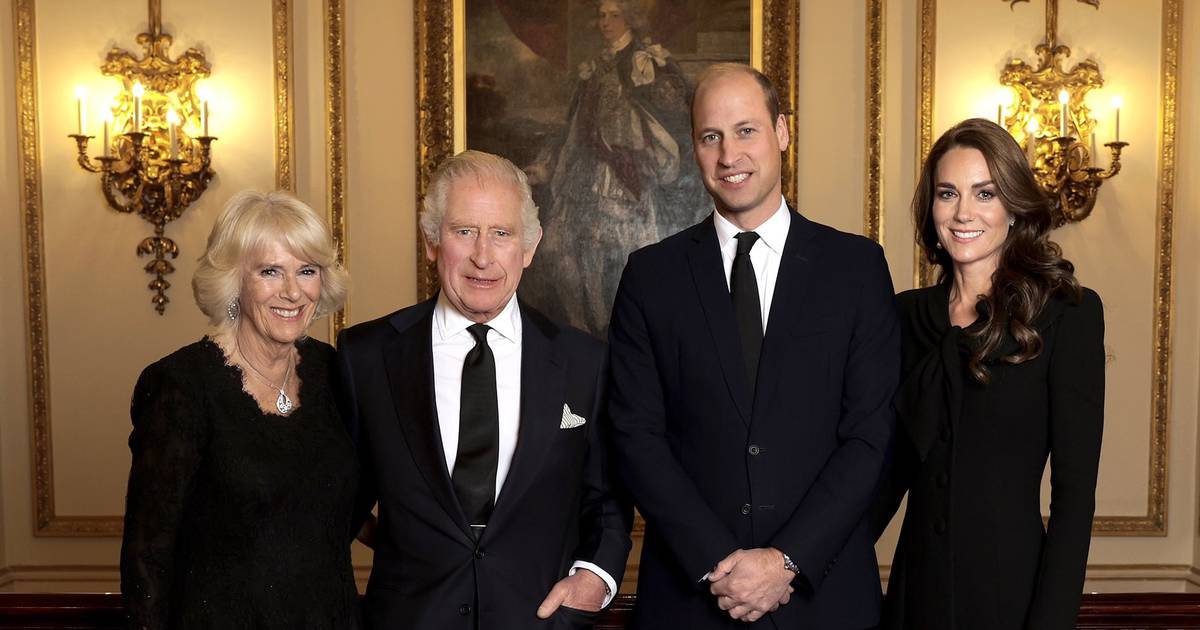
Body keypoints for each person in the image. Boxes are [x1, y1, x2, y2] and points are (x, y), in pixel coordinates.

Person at [607, 63, 900, 629]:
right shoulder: (651, 276)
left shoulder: (856, 269)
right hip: (692, 602)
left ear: (782, 132)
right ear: (694, 147)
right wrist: (721, 567)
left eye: (746, 131)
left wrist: (786, 561)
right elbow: (635, 437)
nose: (728, 155)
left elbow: (870, 436)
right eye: (709, 136)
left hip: (825, 601)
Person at [336, 150, 632, 629]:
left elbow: (607, 502)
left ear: (529, 248)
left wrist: (594, 579)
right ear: (432, 241)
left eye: (501, 233)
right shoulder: (366, 356)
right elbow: (332, 503)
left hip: (539, 619)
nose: (482, 256)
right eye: (464, 231)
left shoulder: (585, 362)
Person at [872, 118, 1105, 630]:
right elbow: (880, 473)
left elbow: (1074, 496)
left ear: (1014, 206)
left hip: (1011, 597)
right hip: (915, 597)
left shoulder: (1068, 314)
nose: (962, 213)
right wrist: (801, 563)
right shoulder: (903, 316)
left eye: (985, 193)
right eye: (947, 193)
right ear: (930, 206)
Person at [120, 190, 356, 629]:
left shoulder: (336, 372)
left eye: (307, 270)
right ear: (233, 280)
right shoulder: (181, 386)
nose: (292, 291)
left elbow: (348, 500)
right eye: (270, 271)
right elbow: (146, 557)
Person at [528, 0, 708, 335]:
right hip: (586, 169)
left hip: (627, 170)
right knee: (571, 247)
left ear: (631, 19)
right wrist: (549, 164)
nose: (606, 22)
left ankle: (624, 327)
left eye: (615, 15)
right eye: (601, 16)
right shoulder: (594, 67)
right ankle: (588, 329)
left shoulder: (646, 60)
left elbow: (674, 115)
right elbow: (574, 123)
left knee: (621, 249)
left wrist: (635, 138)